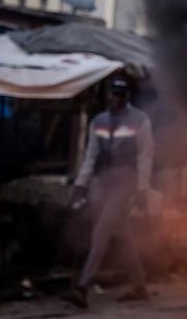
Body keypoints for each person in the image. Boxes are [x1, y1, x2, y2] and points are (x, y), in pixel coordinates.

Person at [62, 75, 154, 308]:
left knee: (102, 229)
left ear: (127, 97)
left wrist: (142, 190)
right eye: (114, 95)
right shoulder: (98, 122)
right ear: (108, 95)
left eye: (121, 96)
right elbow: (91, 155)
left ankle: (83, 286)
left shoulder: (139, 120)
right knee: (123, 236)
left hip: (126, 181)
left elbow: (145, 157)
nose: (116, 100)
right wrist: (80, 186)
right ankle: (140, 286)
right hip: (105, 181)